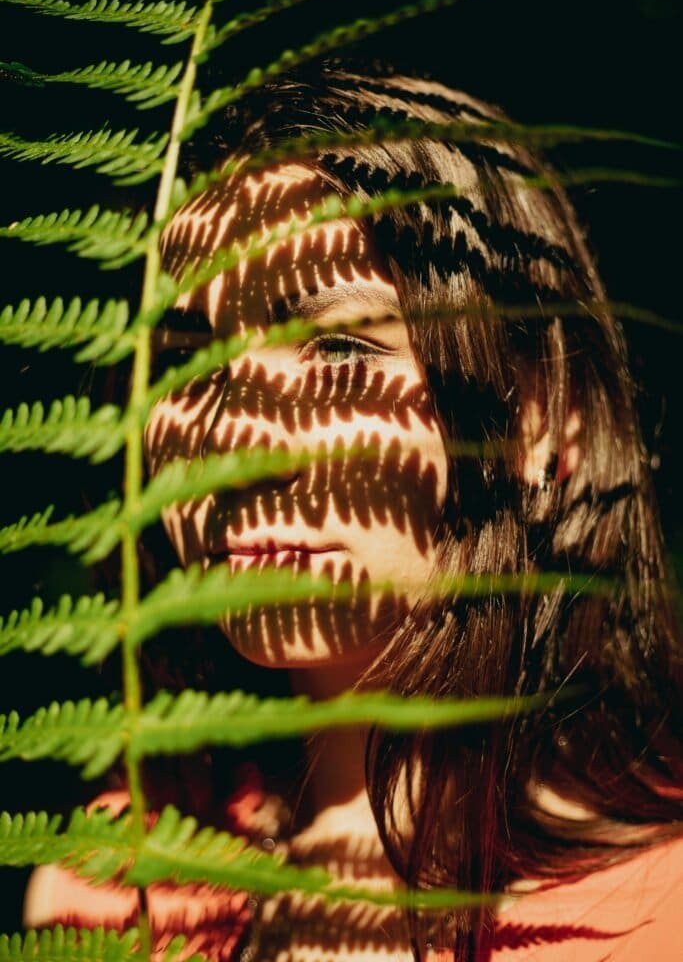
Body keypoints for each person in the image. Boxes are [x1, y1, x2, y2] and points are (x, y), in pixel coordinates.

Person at [24, 63, 683, 961]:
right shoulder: (115, 886)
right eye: (187, 361)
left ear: (538, 417)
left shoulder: (655, 909)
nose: (236, 439)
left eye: (339, 346)